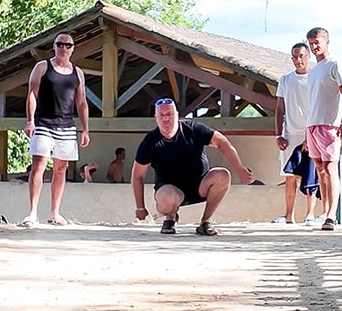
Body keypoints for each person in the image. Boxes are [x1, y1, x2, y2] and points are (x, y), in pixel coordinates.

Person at [131, 98, 256, 235]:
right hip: (171, 192)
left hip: (200, 186)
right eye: (162, 115)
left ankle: (205, 222)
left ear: (177, 115)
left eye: (169, 114)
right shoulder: (149, 142)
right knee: (166, 197)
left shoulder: (192, 129)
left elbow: (222, 142)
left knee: (222, 175)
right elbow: (137, 175)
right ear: (156, 118)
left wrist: (240, 169)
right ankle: (170, 217)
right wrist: (140, 207)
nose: (166, 118)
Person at [22, 32, 89, 227]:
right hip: (43, 123)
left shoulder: (78, 73)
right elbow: (32, 93)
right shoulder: (43, 67)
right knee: (39, 165)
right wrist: (30, 120)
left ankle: (54, 213)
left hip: (67, 126)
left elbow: (82, 101)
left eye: (68, 45)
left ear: (73, 49)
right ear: (54, 46)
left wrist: (85, 129)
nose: (64, 48)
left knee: (61, 168)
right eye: (60, 44)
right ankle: (32, 213)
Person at [305, 26, 342, 231]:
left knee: (331, 167)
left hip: (329, 124)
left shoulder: (336, 64)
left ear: (327, 41)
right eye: (311, 43)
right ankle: (325, 211)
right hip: (312, 124)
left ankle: (332, 215)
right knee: (320, 169)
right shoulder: (313, 70)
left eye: (317, 42)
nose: (314, 46)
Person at [274, 42, 319, 225]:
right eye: (294, 56)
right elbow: (279, 108)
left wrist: (311, 135)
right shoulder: (285, 80)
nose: (298, 60)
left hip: (311, 133)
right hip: (290, 133)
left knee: (311, 173)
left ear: (308, 57)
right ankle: (289, 215)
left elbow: (318, 106)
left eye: (301, 56)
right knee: (289, 175)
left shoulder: (315, 78)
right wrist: (278, 134)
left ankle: (310, 214)